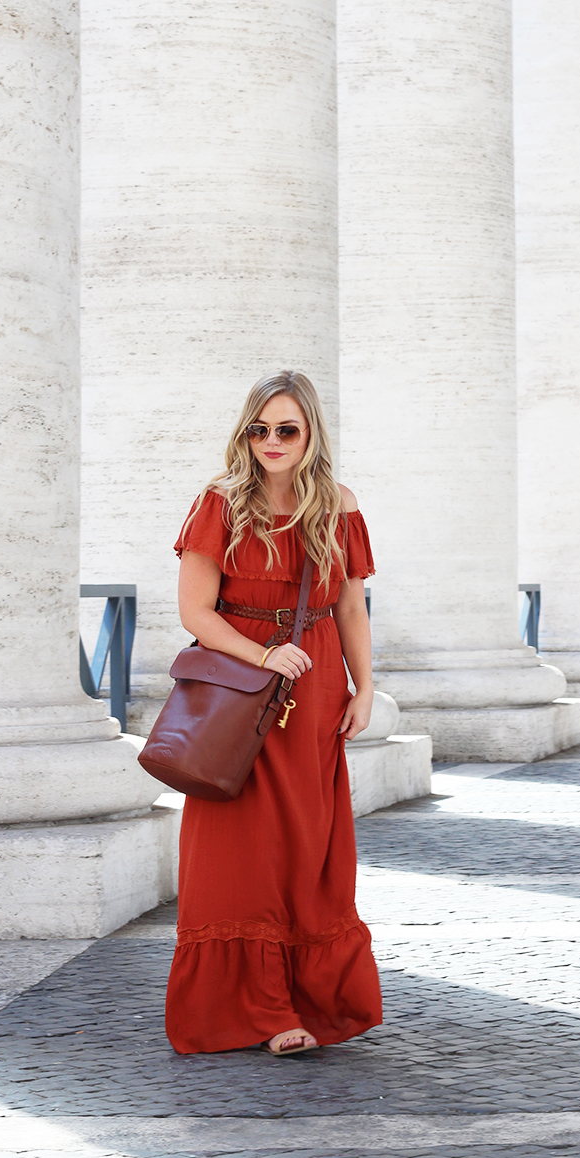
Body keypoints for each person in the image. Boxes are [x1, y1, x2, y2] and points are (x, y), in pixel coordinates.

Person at [165, 370, 383, 1056]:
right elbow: (196, 612)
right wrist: (263, 655)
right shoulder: (221, 502)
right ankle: (259, 1010)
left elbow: (350, 607)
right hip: (241, 693)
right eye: (259, 429)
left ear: (311, 431)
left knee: (306, 846)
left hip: (313, 693)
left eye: (286, 428)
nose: (271, 441)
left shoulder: (339, 505)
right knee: (239, 851)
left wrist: (364, 687)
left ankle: (308, 997)